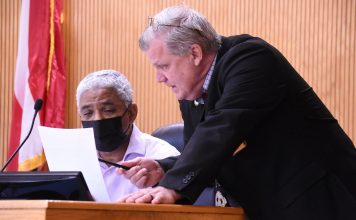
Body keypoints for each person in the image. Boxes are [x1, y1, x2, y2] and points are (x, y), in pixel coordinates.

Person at [117, 5, 356, 220]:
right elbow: (210, 154)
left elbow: (224, 128)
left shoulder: (251, 58)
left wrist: (173, 186)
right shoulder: (193, 93)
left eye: (164, 66)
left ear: (195, 54)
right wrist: (165, 169)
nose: (159, 78)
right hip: (272, 205)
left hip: (323, 201)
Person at [76, 69, 180, 201]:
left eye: (108, 110)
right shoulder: (74, 160)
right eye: (88, 113)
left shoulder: (162, 158)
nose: (98, 119)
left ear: (131, 113)